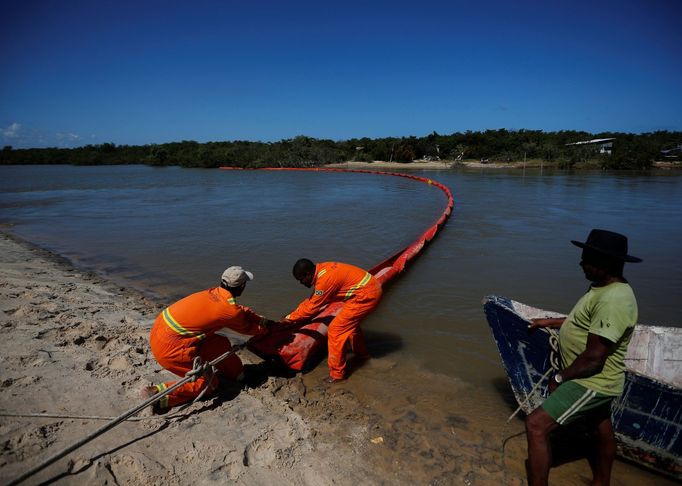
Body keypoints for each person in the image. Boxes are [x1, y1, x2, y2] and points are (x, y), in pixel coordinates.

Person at [526, 229, 642, 486]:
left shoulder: (613, 300)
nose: (581, 262)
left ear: (607, 263)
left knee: (535, 426)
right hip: (598, 379)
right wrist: (554, 322)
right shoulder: (603, 289)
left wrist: (560, 376)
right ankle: (601, 482)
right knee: (602, 430)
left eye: (587, 257)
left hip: (591, 381)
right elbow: (587, 322)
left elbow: (594, 358)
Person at [145, 266, 275, 413]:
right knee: (209, 384)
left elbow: (239, 311)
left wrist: (261, 319)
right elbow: (247, 329)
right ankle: (160, 395)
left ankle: (238, 375)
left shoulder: (212, 293)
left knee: (220, 343)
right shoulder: (230, 311)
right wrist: (267, 328)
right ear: (242, 286)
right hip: (170, 348)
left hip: (159, 331)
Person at [282, 259, 382, 383]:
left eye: (301, 279)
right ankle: (362, 355)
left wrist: (290, 319)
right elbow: (312, 300)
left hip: (366, 295)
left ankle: (337, 375)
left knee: (336, 330)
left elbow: (312, 308)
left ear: (308, 274)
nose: (301, 283)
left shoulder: (325, 281)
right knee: (349, 326)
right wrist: (292, 315)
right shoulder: (322, 270)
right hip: (367, 288)